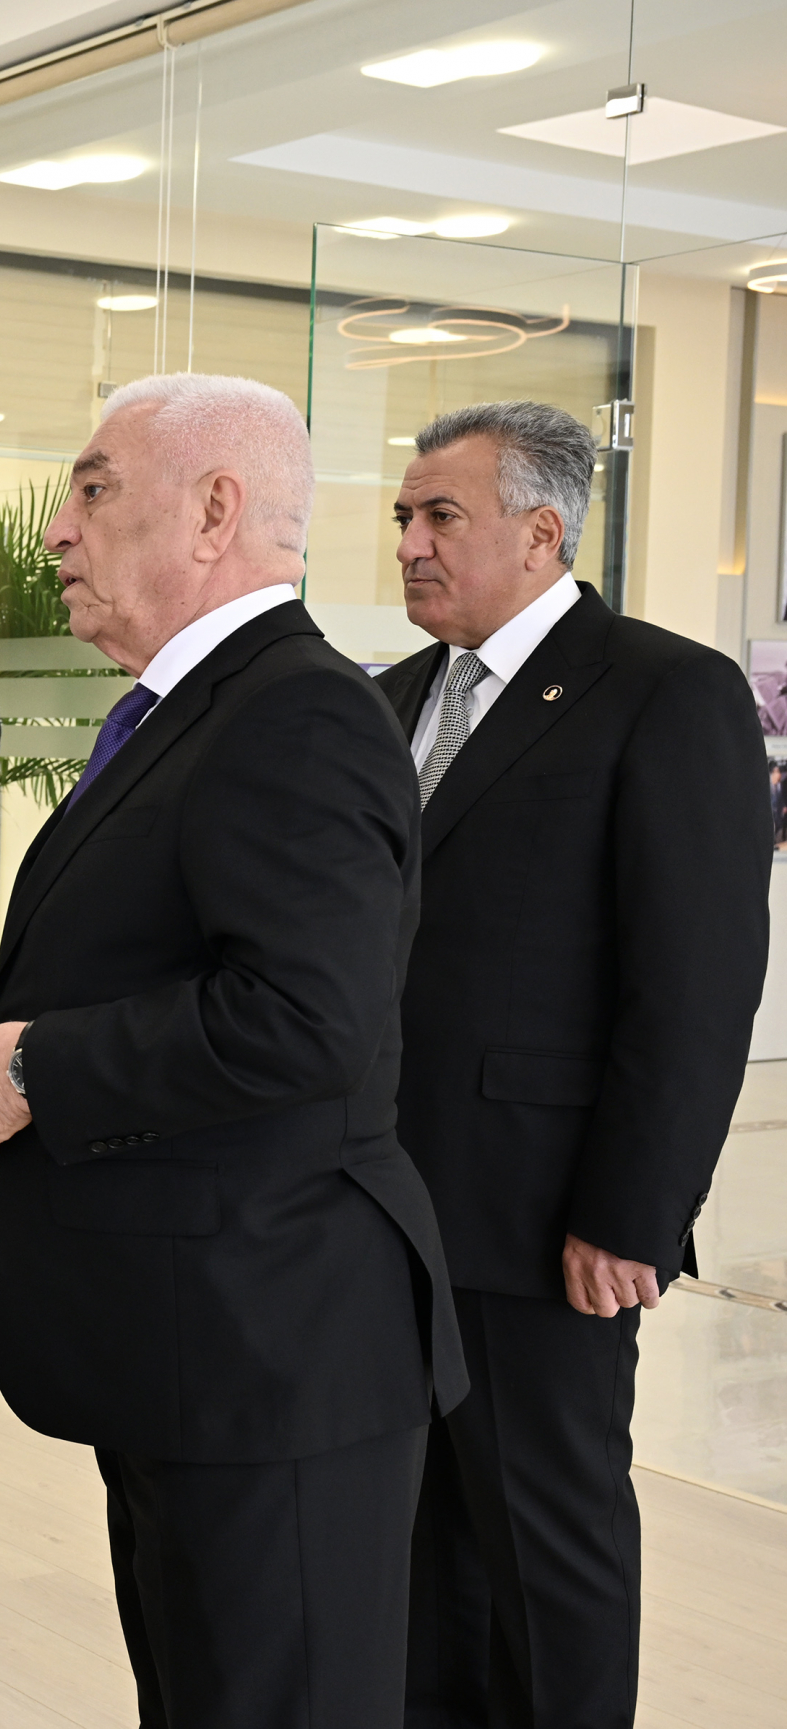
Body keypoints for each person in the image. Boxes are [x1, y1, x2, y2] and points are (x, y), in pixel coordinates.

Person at [0, 373, 466, 1728]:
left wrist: (27, 1069)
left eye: (93, 490)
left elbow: (304, 1016)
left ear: (215, 510)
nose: (58, 530)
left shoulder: (296, 712)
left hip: (272, 1352)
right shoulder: (192, 710)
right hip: (192, 1346)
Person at [374, 401, 769, 1729]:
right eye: (403, 517)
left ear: (542, 533)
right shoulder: (389, 698)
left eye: (441, 516)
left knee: (546, 1541)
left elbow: (695, 984)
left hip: (543, 1219)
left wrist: (631, 1213)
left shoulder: (664, 691)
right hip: (379, 1207)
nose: (409, 544)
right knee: (419, 1538)